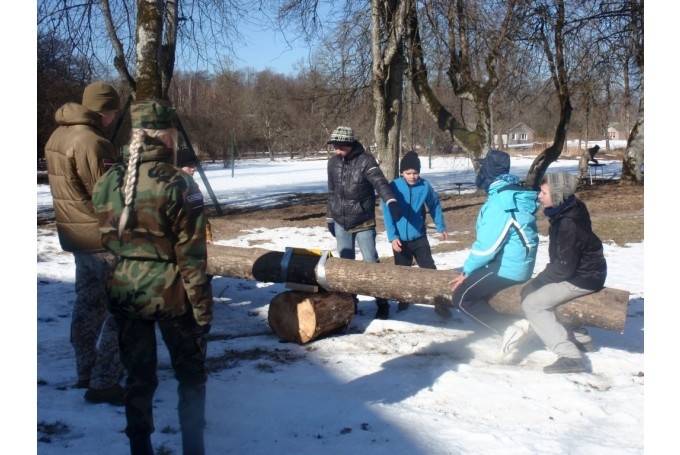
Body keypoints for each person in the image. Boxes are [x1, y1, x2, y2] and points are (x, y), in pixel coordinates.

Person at [92, 100, 213, 455]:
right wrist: (203, 311)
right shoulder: (180, 184)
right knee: (191, 377)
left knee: (138, 378)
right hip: (173, 296)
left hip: (125, 291)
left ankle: (139, 447)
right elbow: (191, 257)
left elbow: (106, 239)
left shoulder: (107, 181)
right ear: (168, 136)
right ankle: (194, 447)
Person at [44, 81, 124, 405]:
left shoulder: (57, 136)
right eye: (114, 110)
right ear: (103, 109)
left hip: (75, 235)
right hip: (101, 239)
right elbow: (107, 198)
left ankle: (85, 371)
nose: (114, 117)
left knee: (88, 305)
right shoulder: (93, 142)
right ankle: (104, 382)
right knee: (124, 310)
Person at [513, 173, 606, 374]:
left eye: (544, 192)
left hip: (583, 276)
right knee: (545, 292)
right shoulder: (569, 208)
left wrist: (536, 283)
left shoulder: (567, 223)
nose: (539, 196)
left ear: (557, 195)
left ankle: (570, 356)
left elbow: (563, 267)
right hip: (587, 271)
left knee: (533, 303)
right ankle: (582, 338)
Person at [439, 150, 539, 334]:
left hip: (508, 267)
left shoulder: (501, 202)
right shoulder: (512, 192)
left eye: (483, 167)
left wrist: (467, 271)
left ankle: (509, 330)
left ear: (489, 171)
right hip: (515, 262)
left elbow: (487, 247)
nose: (480, 171)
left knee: (462, 298)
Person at [325, 126, 402, 320]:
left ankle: (382, 302)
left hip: (363, 220)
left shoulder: (366, 161)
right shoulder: (332, 163)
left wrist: (390, 200)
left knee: (370, 262)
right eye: (335, 147)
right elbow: (331, 191)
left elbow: (380, 182)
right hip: (341, 221)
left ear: (350, 145)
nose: (337, 151)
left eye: (340, 147)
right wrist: (329, 216)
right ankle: (350, 302)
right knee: (345, 264)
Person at [383, 151, 448, 312]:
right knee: (402, 271)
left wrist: (440, 226)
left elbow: (434, 205)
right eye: (408, 173)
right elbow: (387, 213)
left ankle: (439, 301)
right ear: (402, 173)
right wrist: (393, 237)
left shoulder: (425, 186)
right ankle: (403, 300)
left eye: (415, 173)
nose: (412, 176)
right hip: (400, 239)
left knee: (429, 268)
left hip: (419, 236)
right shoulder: (393, 187)